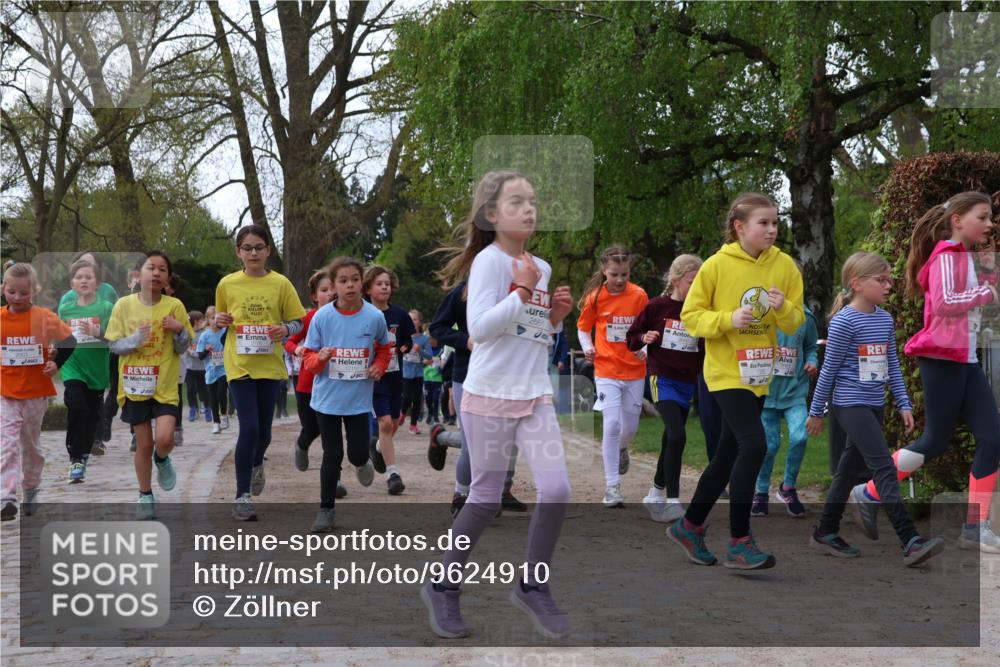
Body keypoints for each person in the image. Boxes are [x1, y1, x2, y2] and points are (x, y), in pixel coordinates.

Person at [420, 170, 573, 639]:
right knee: (485, 499)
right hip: (488, 395)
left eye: (533, 202)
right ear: (491, 214)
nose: (529, 210)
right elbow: (482, 330)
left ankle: (533, 585)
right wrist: (523, 291)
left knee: (557, 490)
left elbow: (529, 334)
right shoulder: (488, 263)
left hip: (534, 393)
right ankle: (443, 586)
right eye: (516, 202)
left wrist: (554, 320)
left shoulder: (540, 266)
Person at [856, 191, 1000, 553]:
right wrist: (986, 294)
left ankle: (975, 526)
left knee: (993, 437)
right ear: (958, 220)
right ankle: (869, 492)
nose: (989, 223)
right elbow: (946, 303)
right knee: (934, 441)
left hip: (965, 360)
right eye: (982, 217)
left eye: (990, 217)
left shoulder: (964, 257)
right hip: (941, 359)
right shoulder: (946, 256)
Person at [667, 192, 803, 570]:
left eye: (775, 222)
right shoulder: (716, 265)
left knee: (728, 455)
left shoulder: (785, 266)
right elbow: (691, 317)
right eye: (764, 223)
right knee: (754, 444)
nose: (772, 230)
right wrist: (728, 319)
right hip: (725, 372)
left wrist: (783, 307)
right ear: (739, 226)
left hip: (759, 374)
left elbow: (796, 321)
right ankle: (740, 541)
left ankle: (689, 526)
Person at [806, 251, 944, 566]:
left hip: (874, 404)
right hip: (849, 404)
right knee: (883, 467)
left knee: (847, 472)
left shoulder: (884, 319)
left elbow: (892, 364)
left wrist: (904, 404)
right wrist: (816, 412)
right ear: (856, 284)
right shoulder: (843, 322)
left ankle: (825, 531)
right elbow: (828, 371)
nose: (888, 285)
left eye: (889, 279)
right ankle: (910, 540)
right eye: (881, 280)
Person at [215, 224, 306, 521]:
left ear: (268, 250)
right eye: (247, 248)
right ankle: (241, 497)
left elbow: (299, 321)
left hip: (269, 365)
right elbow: (220, 319)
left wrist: (285, 329)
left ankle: (256, 463)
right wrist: (220, 320)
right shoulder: (227, 284)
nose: (253, 253)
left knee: (264, 433)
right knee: (250, 428)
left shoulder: (281, 283)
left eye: (258, 248)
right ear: (238, 252)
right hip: (239, 364)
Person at [301, 257, 388, 532]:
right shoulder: (322, 317)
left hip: (358, 401)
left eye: (355, 279)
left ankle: (362, 461)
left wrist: (379, 366)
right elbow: (308, 358)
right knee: (332, 454)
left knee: (357, 453)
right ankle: (326, 511)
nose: (350, 285)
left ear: (362, 283)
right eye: (343, 280)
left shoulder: (374, 317)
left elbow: (384, 349)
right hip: (327, 400)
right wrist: (320, 359)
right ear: (334, 285)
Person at [105, 251, 193, 520]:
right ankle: (145, 494)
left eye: (162, 270)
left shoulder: (175, 306)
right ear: (138, 274)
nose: (156, 273)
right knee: (143, 444)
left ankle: (162, 459)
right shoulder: (123, 306)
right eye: (150, 268)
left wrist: (179, 329)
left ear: (168, 278)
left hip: (164, 384)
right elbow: (114, 345)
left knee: (165, 439)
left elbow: (183, 347)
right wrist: (134, 340)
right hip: (134, 386)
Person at [626, 254, 703, 524]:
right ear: (675, 280)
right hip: (662, 378)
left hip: (687, 382)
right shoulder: (657, 306)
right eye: (692, 281)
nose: (696, 287)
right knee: (678, 435)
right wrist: (644, 337)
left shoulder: (700, 311)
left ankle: (655, 493)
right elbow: (631, 338)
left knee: (671, 438)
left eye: (700, 282)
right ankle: (672, 501)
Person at [1, 263, 77, 520]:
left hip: (35, 394)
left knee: (31, 447)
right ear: (3, 288)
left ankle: (31, 488)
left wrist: (56, 363)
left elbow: (70, 340)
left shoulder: (44, 317)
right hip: (6, 393)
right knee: (6, 443)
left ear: (34, 291)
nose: (17, 297)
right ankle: (6, 497)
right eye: (12, 292)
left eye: (24, 293)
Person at [576, 245, 649, 507]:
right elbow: (583, 328)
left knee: (629, 428)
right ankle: (612, 486)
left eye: (624, 274)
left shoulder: (639, 295)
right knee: (612, 425)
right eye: (614, 274)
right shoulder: (595, 297)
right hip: (606, 369)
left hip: (635, 370)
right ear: (604, 271)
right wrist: (588, 347)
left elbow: (649, 328)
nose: (619, 280)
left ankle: (621, 448)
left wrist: (645, 348)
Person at [751, 261, 819, 518]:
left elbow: (811, 347)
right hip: (766, 393)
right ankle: (760, 491)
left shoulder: (805, 316)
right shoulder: (760, 312)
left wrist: (812, 361)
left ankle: (788, 487)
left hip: (794, 393)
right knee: (769, 445)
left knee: (800, 437)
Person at [57, 258, 114, 483]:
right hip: (72, 366)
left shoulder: (106, 308)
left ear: (97, 283)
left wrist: (97, 332)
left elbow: (115, 338)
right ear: (72, 283)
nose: (83, 281)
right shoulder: (65, 309)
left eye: (88, 277)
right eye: (79, 277)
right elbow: (60, 337)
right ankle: (75, 458)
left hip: (97, 369)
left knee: (91, 415)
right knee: (77, 406)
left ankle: (84, 454)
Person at [364, 265, 415, 495]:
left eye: (387, 284)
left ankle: (377, 447)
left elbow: (408, 340)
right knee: (384, 424)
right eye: (379, 284)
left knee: (394, 424)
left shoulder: (400, 315)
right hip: (375, 378)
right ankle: (393, 475)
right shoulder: (363, 314)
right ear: (368, 289)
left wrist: (404, 347)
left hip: (396, 376)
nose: (384, 287)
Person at [197, 306, 229, 434]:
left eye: (217, 317)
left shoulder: (226, 332)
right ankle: (216, 423)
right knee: (213, 398)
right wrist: (207, 350)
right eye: (212, 317)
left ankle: (224, 415)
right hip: (211, 371)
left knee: (221, 393)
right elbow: (200, 356)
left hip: (224, 369)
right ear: (207, 320)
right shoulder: (204, 336)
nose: (215, 320)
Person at [401, 310, 427, 434]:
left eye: (415, 319)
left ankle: (413, 425)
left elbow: (429, 356)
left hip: (418, 373)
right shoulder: (404, 336)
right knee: (406, 397)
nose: (412, 322)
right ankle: (402, 413)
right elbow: (398, 351)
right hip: (406, 372)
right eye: (410, 319)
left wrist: (420, 350)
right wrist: (404, 348)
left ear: (419, 322)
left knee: (417, 399)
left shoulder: (424, 339)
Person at [185, 310, 212, 423]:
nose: (204, 321)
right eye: (201, 320)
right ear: (196, 321)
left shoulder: (205, 333)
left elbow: (208, 347)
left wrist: (200, 353)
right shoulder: (187, 333)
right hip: (190, 367)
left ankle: (207, 408)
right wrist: (191, 352)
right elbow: (185, 348)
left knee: (204, 390)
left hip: (203, 368)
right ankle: (193, 409)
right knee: (191, 389)